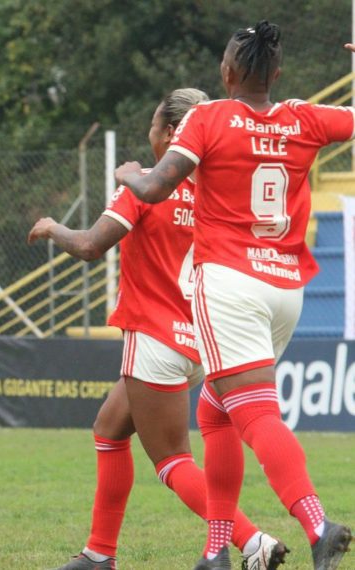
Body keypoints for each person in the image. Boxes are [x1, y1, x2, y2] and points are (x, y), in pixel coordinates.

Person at [115, 21, 353, 570]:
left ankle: (318, 525)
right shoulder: (304, 115)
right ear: (278, 73)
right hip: (285, 288)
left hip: (228, 284)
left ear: (226, 73)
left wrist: (131, 173)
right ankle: (216, 550)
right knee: (216, 410)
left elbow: (155, 187)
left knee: (254, 415)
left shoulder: (208, 117)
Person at [29, 88, 285, 570]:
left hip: (153, 337)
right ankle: (99, 554)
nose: (148, 133)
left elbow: (88, 246)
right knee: (109, 427)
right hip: (200, 339)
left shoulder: (145, 185)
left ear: (170, 134)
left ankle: (254, 543)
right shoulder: (220, 195)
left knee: (172, 462)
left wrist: (51, 228)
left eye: (152, 124)